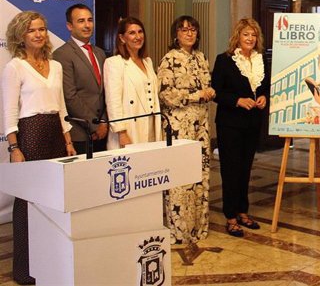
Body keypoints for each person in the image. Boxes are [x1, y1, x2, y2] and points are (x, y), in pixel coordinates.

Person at [2, 11, 77, 285]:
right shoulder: (15, 67)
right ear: (21, 35)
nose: (38, 34)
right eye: (32, 30)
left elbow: (61, 107)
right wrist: (14, 147)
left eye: (42, 29)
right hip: (30, 135)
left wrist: (68, 140)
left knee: (54, 200)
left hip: (55, 135)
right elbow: (9, 111)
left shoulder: (55, 65)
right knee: (27, 203)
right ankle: (24, 269)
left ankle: (51, 260)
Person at [157, 15, 215, 244]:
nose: (189, 34)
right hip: (179, 125)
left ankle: (198, 227)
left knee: (199, 175)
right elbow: (166, 94)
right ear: (176, 35)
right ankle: (179, 229)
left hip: (200, 124)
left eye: (192, 30)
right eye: (184, 30)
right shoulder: (169, 59)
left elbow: (206, 86)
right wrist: (194, 95)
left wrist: (209, 92)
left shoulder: (201, 58)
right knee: (180, 177)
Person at [212, 18, 269, 237]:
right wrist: (237, 100)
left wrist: (264, 97)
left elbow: (265, 87)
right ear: (238, 36)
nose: (250, 39)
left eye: (253, 35)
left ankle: (243, 211)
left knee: (245, 169)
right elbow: (216, 91)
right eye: (246, 34)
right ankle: (230, 216)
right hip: (230, 124)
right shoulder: (225, 60)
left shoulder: (261, 59)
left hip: (252, 123)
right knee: (231, 170)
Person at [53, 4, 108, 154]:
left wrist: (103, 122)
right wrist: (95, 125)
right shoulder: (62, 55)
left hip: (103, 133)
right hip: (80, 134)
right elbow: (70, 96)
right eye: (81, 21)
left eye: (90, 20)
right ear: (69, 26)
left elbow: (104, 93)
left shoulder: (100, 53)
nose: (87, 25)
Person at [104, 17, 161, 149]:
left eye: (140, 32)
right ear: (122, 38)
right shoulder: (114, 63)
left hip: (151, 124)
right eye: (132, 33)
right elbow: (113, 101)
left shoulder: (148, 61)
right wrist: (121, 132)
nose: (138, 36)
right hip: (129, 128)